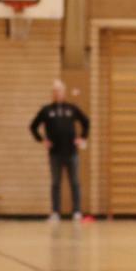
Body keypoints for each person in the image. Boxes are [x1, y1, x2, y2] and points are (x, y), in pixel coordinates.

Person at [30, 80, 90, 223]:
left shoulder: (72, 108)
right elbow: (33, 126)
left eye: (60, 90)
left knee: (74, 182)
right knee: (55, 183)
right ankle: (55, 212)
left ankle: (76, 212)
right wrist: (42, 140)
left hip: (71, 153)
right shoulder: (46, 110)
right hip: (55, 154)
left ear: (64, 92)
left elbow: (86, 121)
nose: (57, 93)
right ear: (52, 93)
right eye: (55, 91)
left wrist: (82, 138)